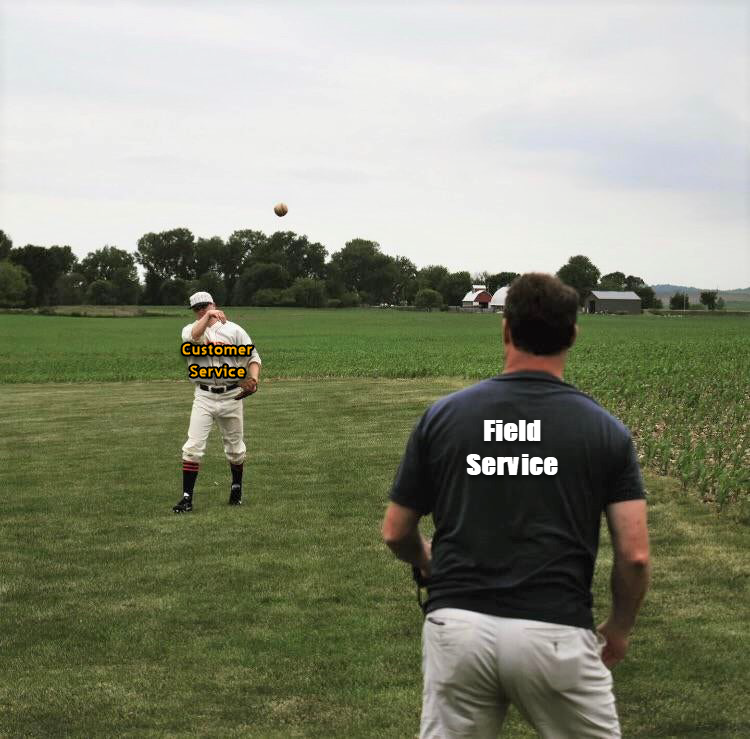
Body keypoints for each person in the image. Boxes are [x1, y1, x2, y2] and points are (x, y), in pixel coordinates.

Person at [382, 273, 650, 738]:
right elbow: (635, 554)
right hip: (555, 631)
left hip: (457, 628)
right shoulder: (605, 430)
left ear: (505, 329)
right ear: (573, 333)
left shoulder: (444, 416)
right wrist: (620, 627)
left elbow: (396, 531)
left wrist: (428, 561)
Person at [173, 291, 262, 513]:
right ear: (194, 312)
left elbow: (253, 357)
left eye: (206, 305)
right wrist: (208, 315)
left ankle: (236, 488)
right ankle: (186, 499)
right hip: (203, 395)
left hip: (231, 395)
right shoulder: (189, 329)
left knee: (235, 450)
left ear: (214, 303)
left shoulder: (235, 330)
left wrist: (253, 379)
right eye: (198, 308)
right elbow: (194, 337)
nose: (202, 309)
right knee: (193, 447)